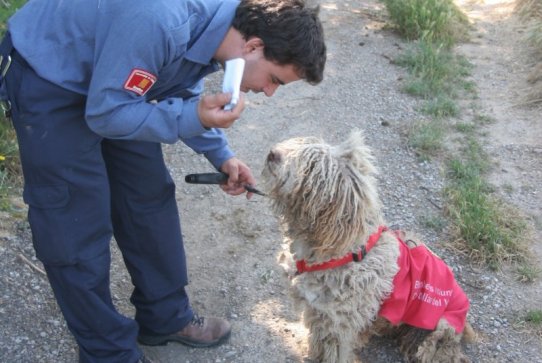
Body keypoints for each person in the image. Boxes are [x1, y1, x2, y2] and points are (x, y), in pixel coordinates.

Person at [0, 0, 326, 362]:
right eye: (275, 80)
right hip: (52, 75)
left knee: (147, 196)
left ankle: (164, 316)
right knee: (74, 224)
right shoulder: (160, 19)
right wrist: (194, 118)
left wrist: (221, 155)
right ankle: (107, 353)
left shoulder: (222, 30)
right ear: (253, 47)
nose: (269, 92)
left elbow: (171, 78)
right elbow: (107, 113)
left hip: (116, 82)